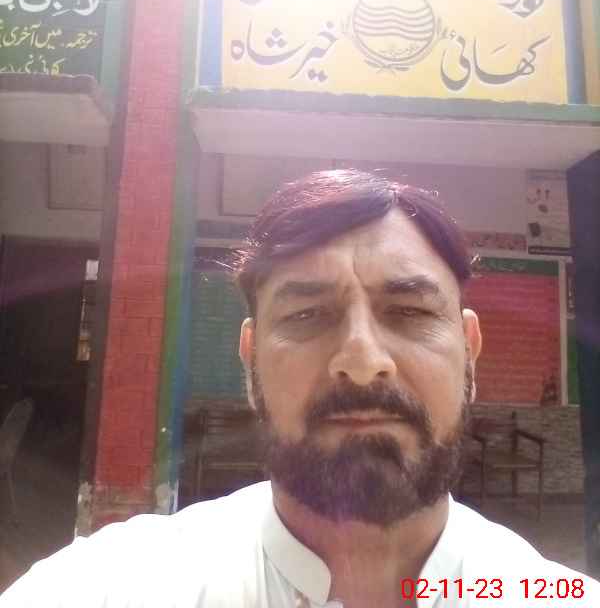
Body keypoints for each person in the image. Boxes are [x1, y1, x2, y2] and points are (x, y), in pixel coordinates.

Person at [2, 169, 598, 607]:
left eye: (410, 312)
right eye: (307, 315)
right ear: (250, 360)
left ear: (469, 352)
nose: (362, 363)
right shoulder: (111, 587)